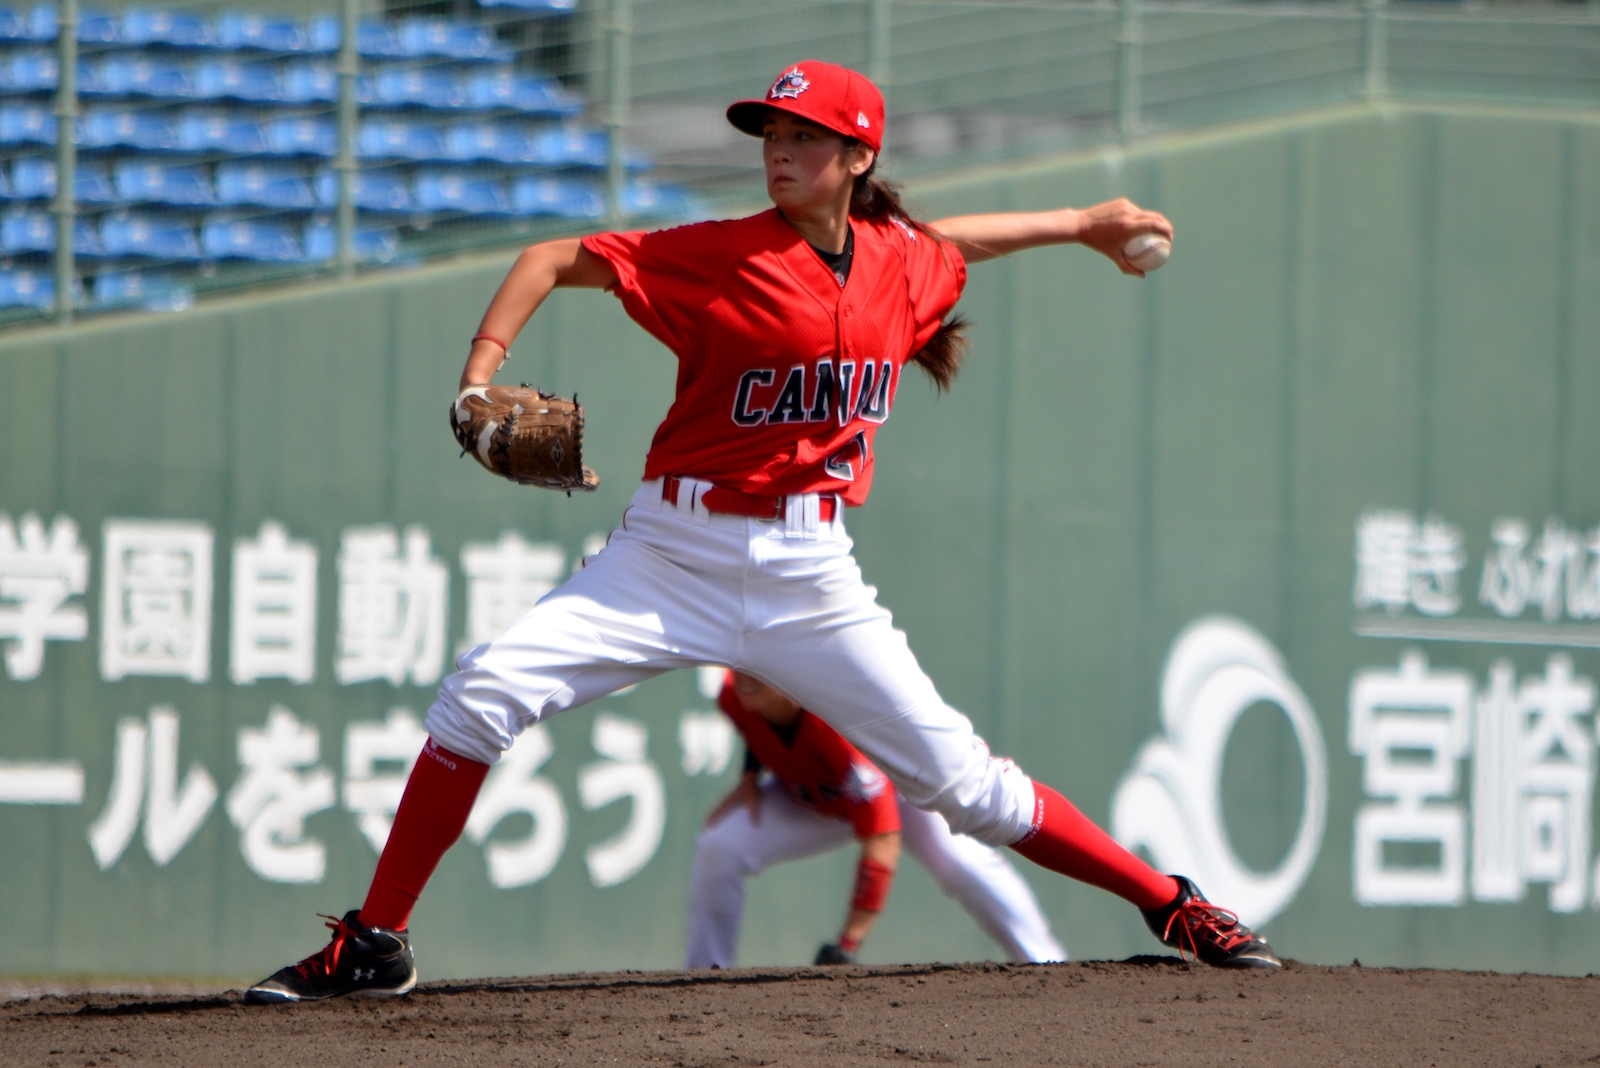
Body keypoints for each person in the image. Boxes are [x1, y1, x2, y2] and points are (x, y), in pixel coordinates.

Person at [244, 58, 1277, 1005]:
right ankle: (376, 941)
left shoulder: (897, 263)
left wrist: (1084, 220)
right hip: (669, 554)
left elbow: (952, 241)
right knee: (480, 692)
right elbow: (552, 256)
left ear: (858, 156)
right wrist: (477, 374)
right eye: (770, 136)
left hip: (808, 572)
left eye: (805, 137)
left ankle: (1171, 901)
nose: (780, 153)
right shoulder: (720, 254)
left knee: (964, 789)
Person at [688, 670, 1065, 969]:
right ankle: (705, 973)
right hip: (811, 795)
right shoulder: (734, 693)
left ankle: (1047, 962)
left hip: (901, 791)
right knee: (719, 846)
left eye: (760, 668)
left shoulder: (833, 724)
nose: (745, 676)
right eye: (742, 664)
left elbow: (881, 840)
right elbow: (757, 724)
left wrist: (847, 943)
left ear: (791, 678)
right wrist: (750, 775)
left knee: (961, 863)